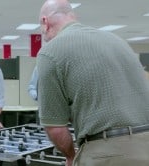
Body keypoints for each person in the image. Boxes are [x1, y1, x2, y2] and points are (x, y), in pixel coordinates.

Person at [37, 0, 149, 166]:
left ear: (45, 22)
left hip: (107, 154)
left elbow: (55, 127)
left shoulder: (50, 52)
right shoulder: (117, 40)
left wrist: (70, 156)